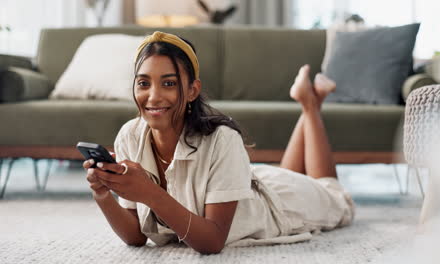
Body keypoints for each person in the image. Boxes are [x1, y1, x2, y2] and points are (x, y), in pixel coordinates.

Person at [83, 31, 354, 254]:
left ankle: (310, 105)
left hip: (277, 208)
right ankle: (309, 101)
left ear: (192, 91)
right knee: (290, 173)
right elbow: (135, 236)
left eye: (168, 84)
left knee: (334, 193)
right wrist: (103, 194)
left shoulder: (223, 140)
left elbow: (212, 242)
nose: (153, 96)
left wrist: (150, 193)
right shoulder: (130, 135)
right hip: (247, 182)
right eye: (143, 83)